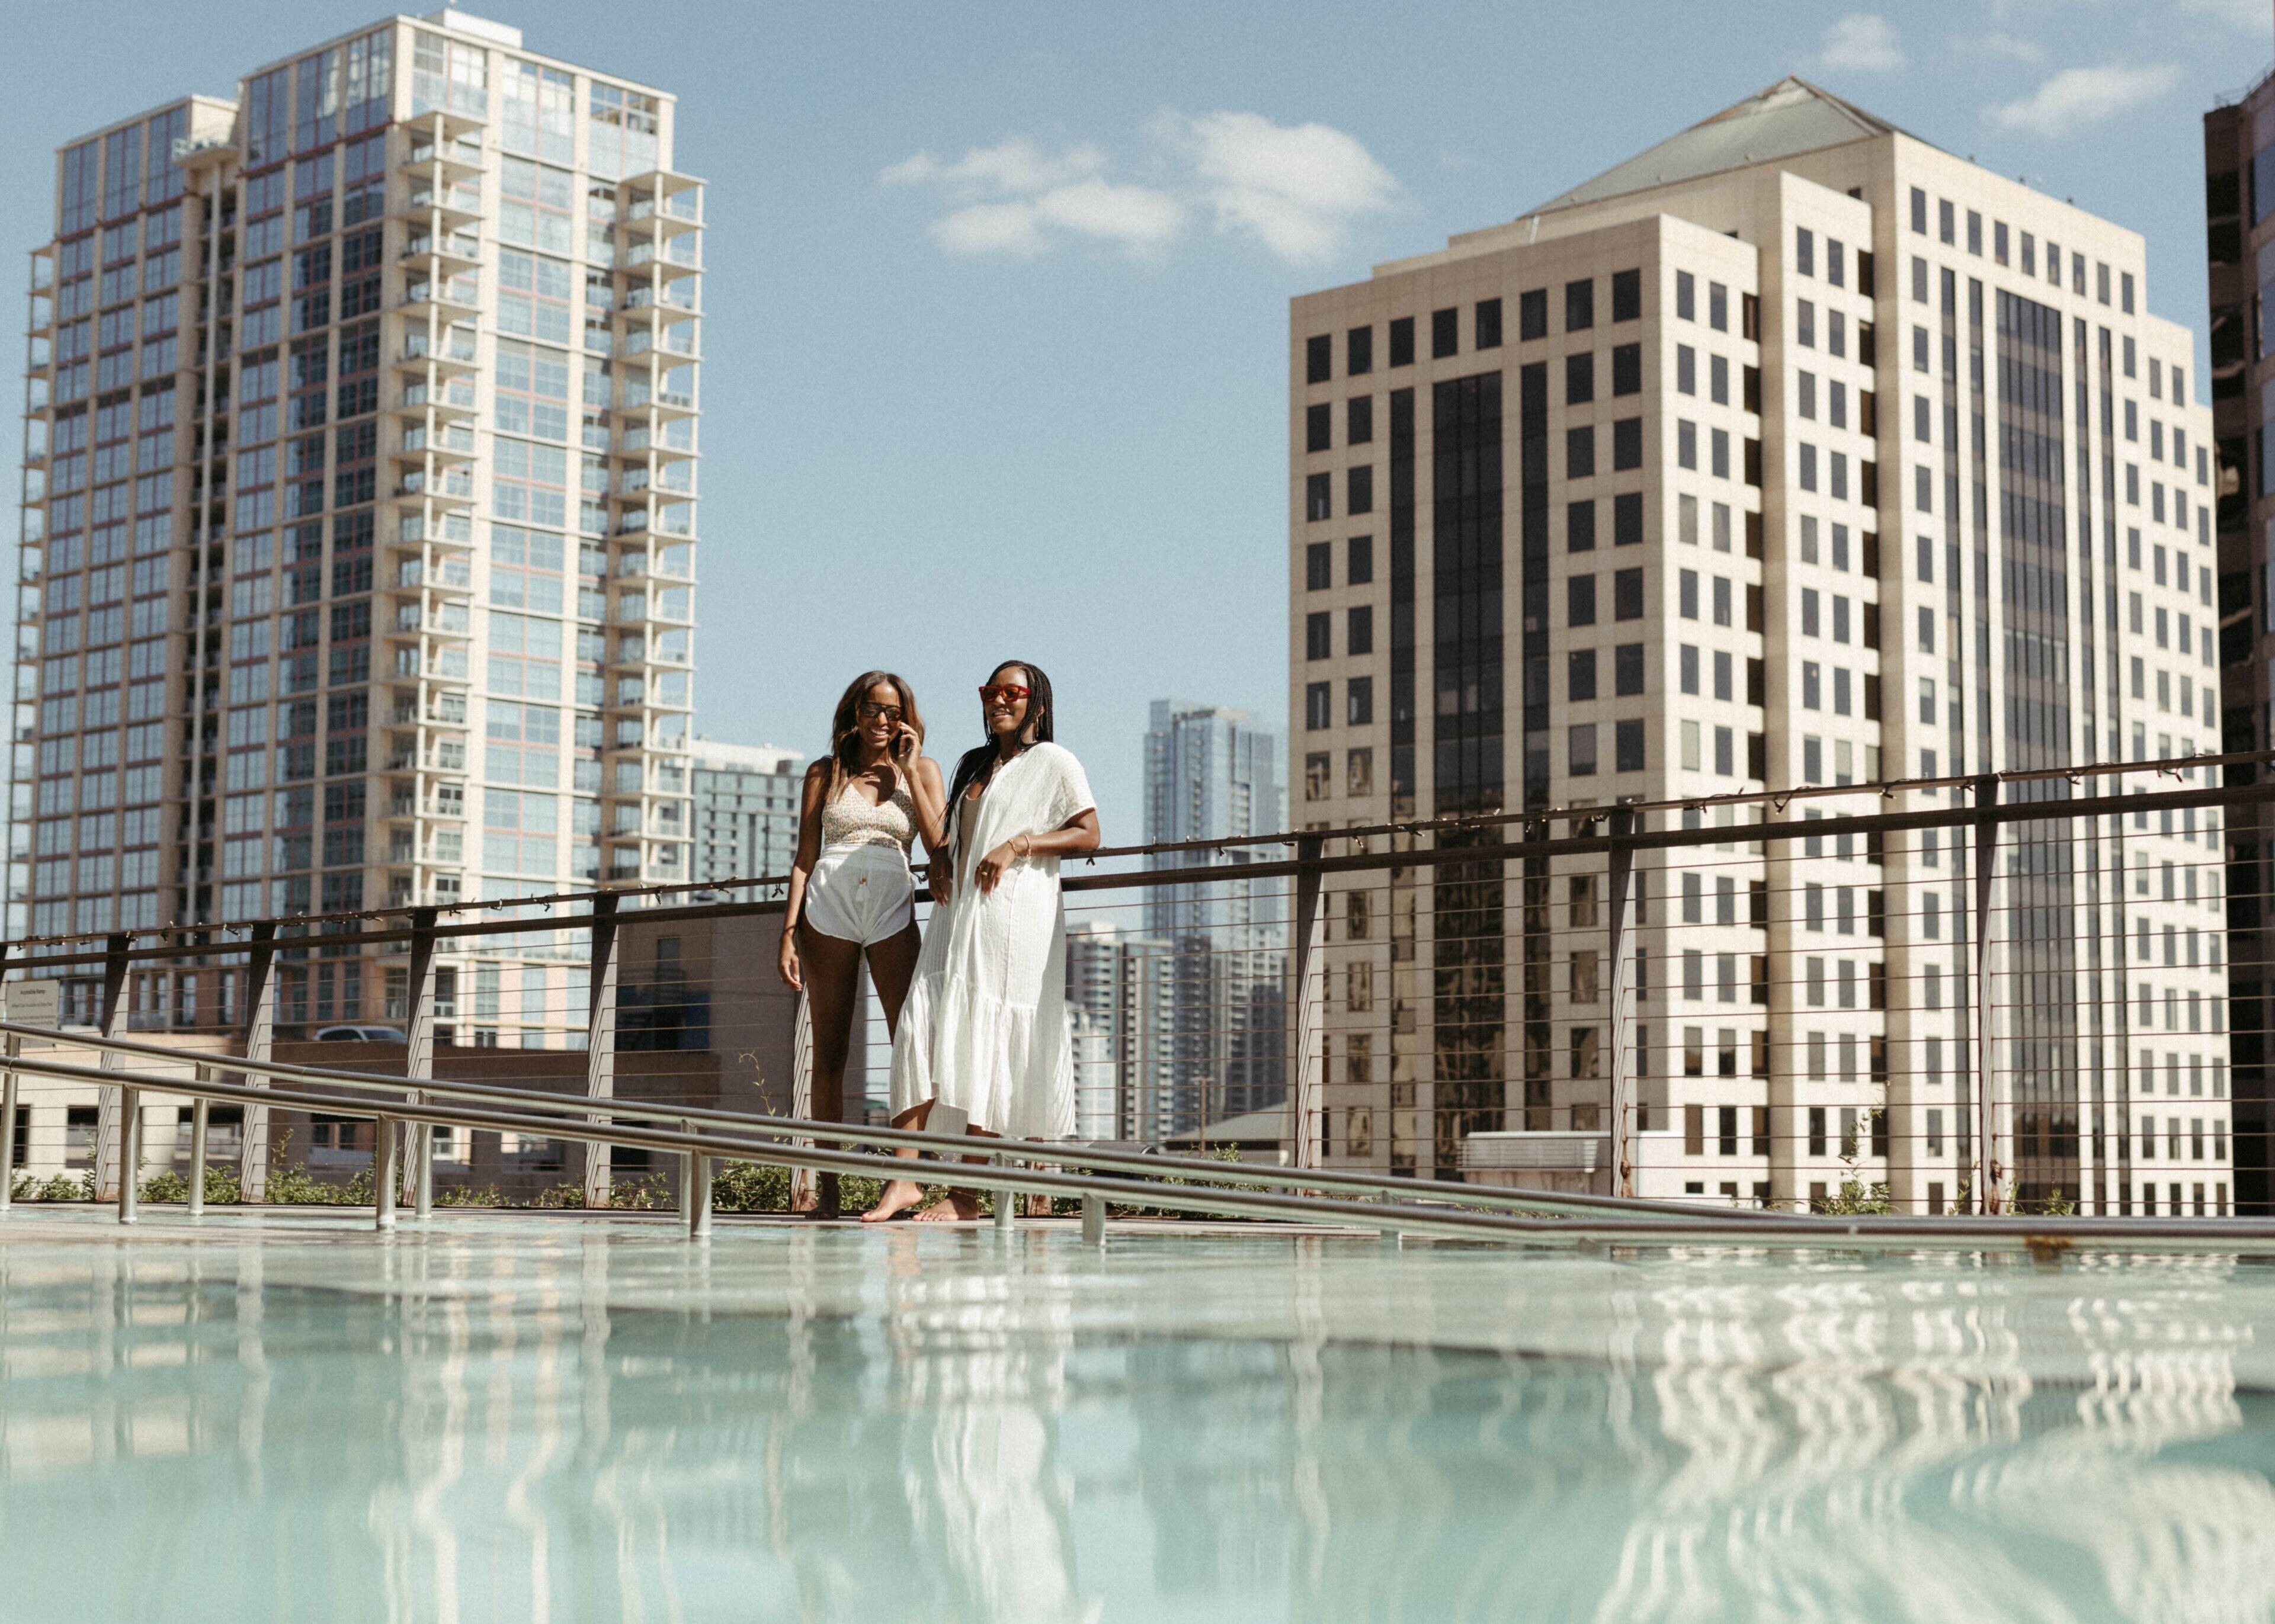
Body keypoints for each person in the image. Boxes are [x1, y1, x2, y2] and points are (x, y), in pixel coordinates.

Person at [865, 661, 1100, 1222]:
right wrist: (910, 775)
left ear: (1036, 702)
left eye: (1010, 692)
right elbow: (945, 840)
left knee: (989, 1043)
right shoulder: (976, 763)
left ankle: (966, 1195)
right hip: (957, 915)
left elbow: (1089, 832)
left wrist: (1019, 844)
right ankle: (904, 1180)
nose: (998, 700)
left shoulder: (1055, 761)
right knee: (919, 1026)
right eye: (990, 691)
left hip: (1012, 916)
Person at [778, 671, 946, 1218]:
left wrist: (908, 769)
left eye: (893, 712)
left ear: (906, 719)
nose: (882, 720)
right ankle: (826, 1189)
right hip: (828, 907)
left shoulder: (922, 770)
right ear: (855, 712)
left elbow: (939, 846)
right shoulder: (825, 772)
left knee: (910, 1043)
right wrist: (788, 932)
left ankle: (906, 1177)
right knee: (830, 1053)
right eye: (873, 709)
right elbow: (804, 857)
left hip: (892, 905)